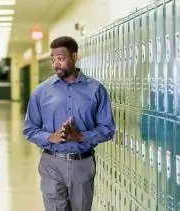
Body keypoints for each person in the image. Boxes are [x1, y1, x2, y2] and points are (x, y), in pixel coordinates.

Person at [23, 36, 115, 211]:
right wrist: (51, 137)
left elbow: (108, 129)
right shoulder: (41, 92)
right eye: (53, 59)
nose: (55, 63)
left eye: (60, 58)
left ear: (74, 56)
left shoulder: (96, 90)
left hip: (82, 163)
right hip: (52, 163)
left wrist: (81, 136)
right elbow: (29, 129)